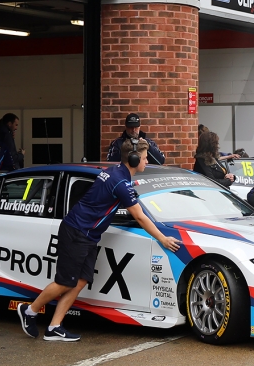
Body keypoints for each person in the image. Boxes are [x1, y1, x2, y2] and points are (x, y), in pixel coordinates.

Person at [17, 139, 181, 342]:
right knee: (64, 282)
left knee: (80, 281)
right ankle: (29, 311)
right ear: (134, 158)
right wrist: (163, 239)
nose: (146, 162)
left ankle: (54, 327)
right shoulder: (120, 182)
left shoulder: (116, 173)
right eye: (145, 158)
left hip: (87, 234)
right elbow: (139, 216)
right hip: (77, 232)